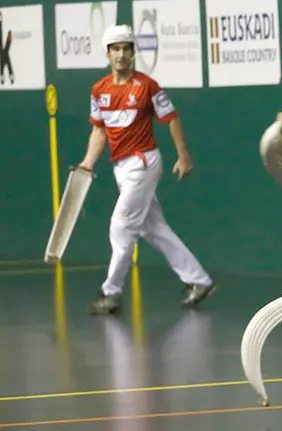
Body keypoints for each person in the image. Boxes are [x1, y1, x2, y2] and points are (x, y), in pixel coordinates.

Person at [81, 25, 216, 314]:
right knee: (154, 228)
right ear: (107, 54)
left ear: (133, 53)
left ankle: (110, 293)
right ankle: (199, 280)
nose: (121, 54)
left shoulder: (147, 86)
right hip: (122, 169)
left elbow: (171, 118)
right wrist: (86, 164)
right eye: (115, 49)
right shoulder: (99, 90)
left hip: (142, 164)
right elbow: (99, 133)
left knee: (121, 227)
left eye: (126, 48)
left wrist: (184, 156)